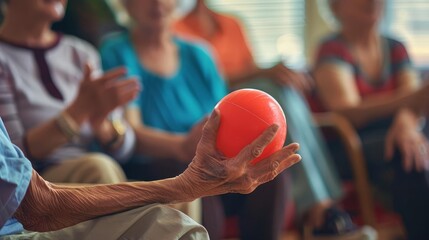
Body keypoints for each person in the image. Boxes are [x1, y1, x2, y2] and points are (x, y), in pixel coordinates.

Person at [100, 0, 294, 239]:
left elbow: (225, 118)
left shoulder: (200, 54)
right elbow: (129, 129)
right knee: (194, 177)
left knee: (270, 177)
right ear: (126, 5)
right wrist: (182, 147)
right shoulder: (116, 52)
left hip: (208, 158)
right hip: (155, 163)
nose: (157, 3)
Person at [173, 1, 368, 238]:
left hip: (249, 110)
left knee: (282, 87)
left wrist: (269, 73)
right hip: (220, 112)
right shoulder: (173, 27)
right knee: (269, 86)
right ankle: (320, 213)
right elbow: (208, 85)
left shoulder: (232, 23)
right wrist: (262, 73)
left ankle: (324, 208)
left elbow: (251, 71)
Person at [0, 108, 302, 239]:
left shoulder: (196, 54)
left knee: (166, 218)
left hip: (26, 202)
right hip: (29, 204)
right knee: (169, 226)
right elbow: (38, 207)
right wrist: (182, 184)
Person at [312, 0, 429, 238]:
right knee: (405, 150)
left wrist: (406, 125)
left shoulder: (395, 46)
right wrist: (412, 101)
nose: (373, 1)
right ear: (336, 6)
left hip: (397, 133)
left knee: (409, 143)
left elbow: (415, 103)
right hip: (350, 144)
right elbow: (347, 111)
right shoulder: (332, 49)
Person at [0, 0, 139, 184]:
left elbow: (125, 149)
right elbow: (10, 159)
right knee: (98, 167)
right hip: (37, 185)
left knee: (183, 197)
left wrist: (103, 126)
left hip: (100, 175)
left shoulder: (81, 53)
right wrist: (76, 113)